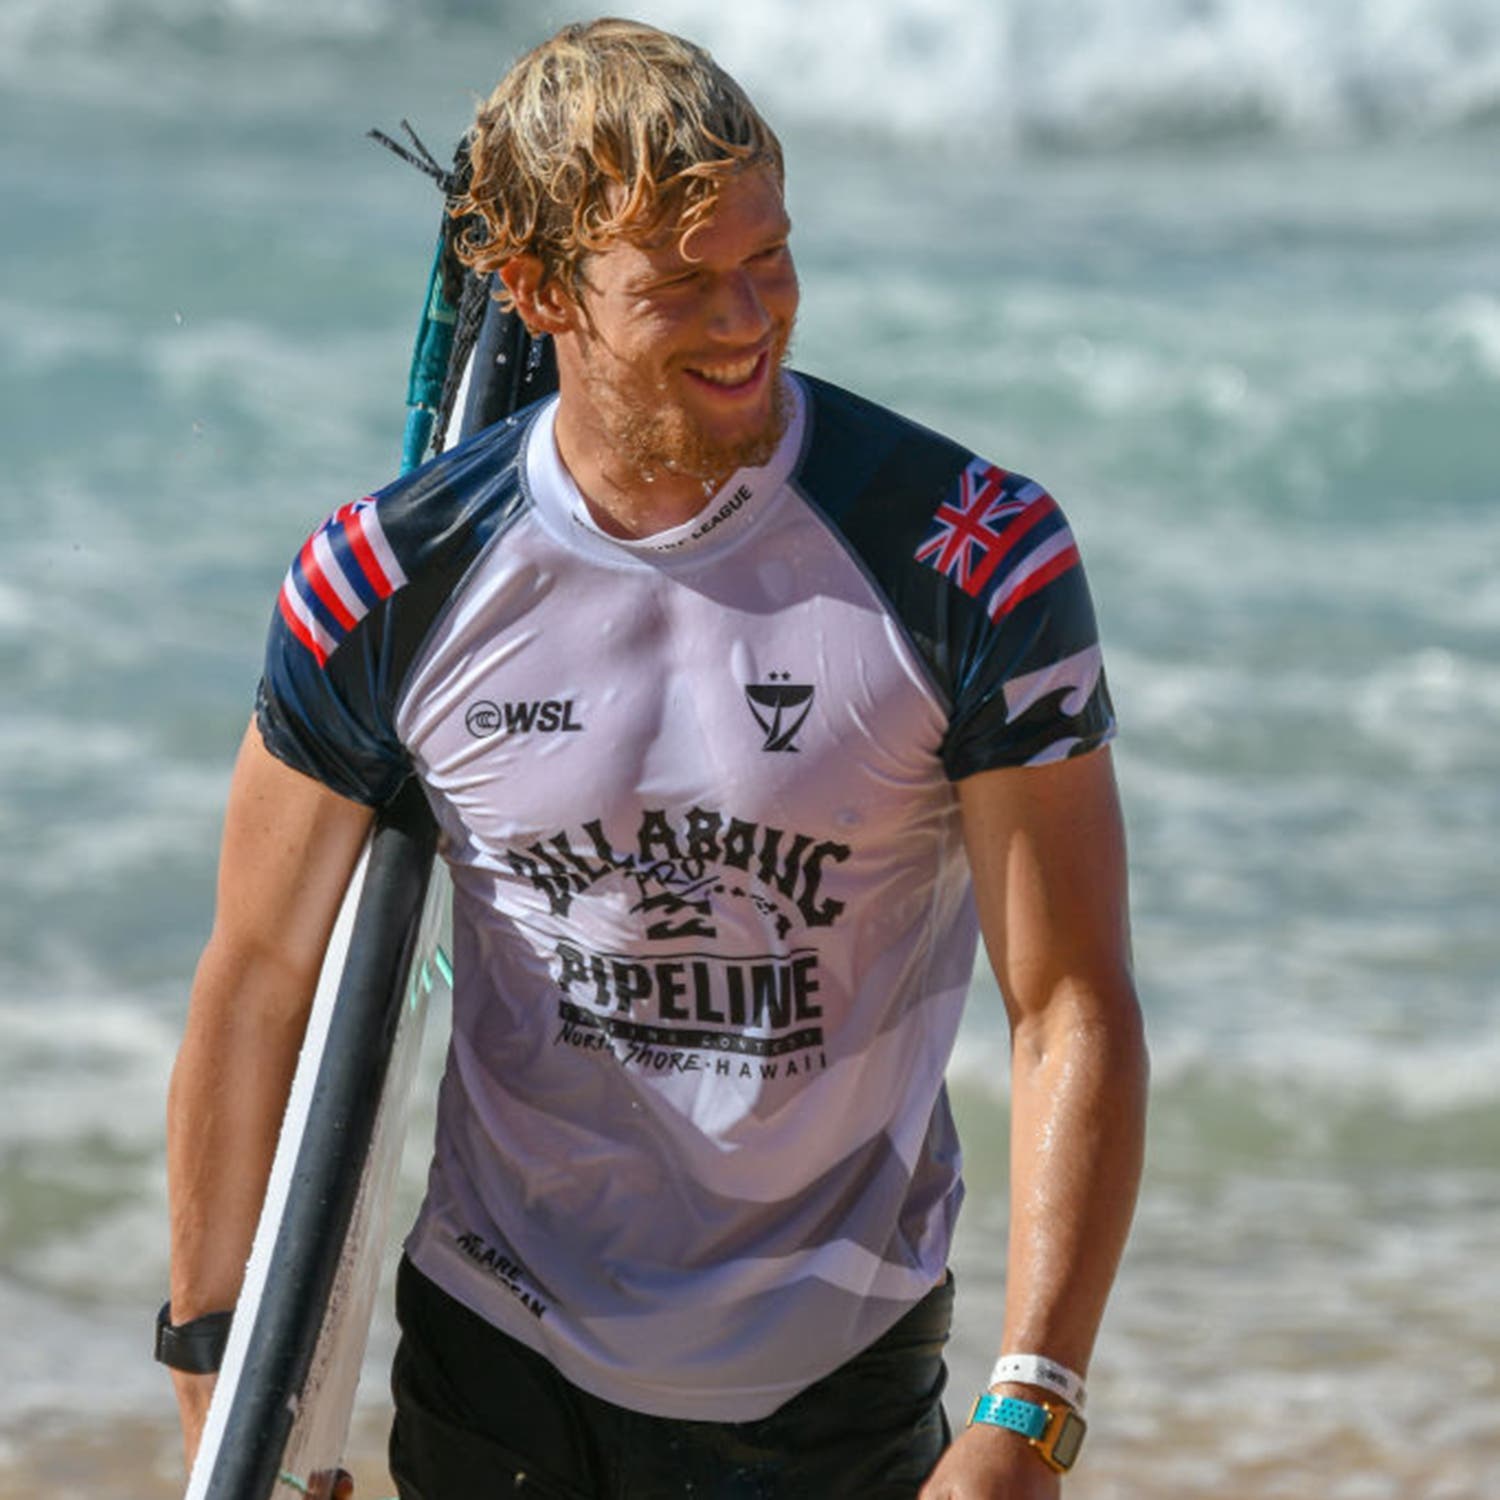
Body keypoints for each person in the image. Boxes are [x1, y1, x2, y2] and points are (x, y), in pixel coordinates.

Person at [164, 18, 1147, 1499]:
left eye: (770, 256)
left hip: (833, 1372)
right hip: (496, 1354)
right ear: (538, 289)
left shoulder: (967, 558)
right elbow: (256, 985)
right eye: (681, 283)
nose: (748, 316)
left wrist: (1032, 1410)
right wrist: (227, 1390)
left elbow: (1069, 996)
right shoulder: (389, 583)